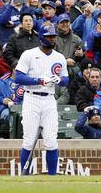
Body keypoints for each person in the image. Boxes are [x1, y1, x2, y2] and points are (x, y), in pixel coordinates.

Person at [13, 23, 68, 175]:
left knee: (51, 140)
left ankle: (52, 177)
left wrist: (58, 79)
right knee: (29, 140)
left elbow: (66, 79)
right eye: (48, 36)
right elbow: (18, 77)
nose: (52, 39)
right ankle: (26, 177)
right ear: (41, 37)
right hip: (32, 98)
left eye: (53, 36)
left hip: (49, 99)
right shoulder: (29, 54)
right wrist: (39, 80)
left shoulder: (59, 57)